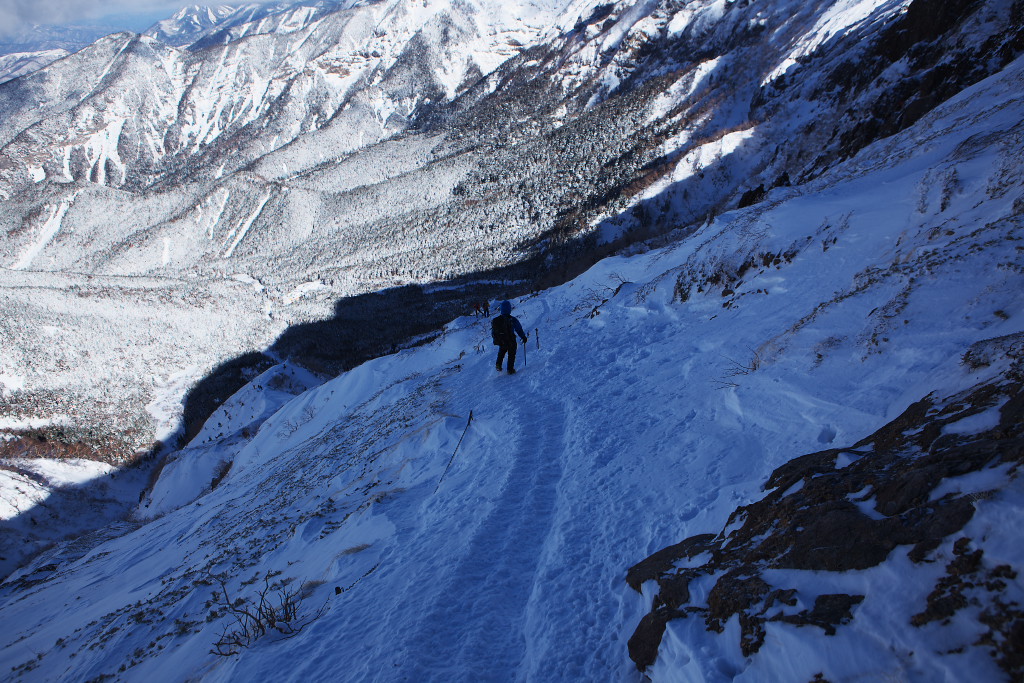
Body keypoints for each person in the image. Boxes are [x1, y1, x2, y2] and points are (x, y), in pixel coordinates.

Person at [491, 300, 528, 374]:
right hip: (511, 340)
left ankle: (498, 364)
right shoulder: (512, 319)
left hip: (502, 341)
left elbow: (493, 332)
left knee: (501, 352)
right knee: (511, 354)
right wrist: (523, 337)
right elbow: (519, 329)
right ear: (509, 309)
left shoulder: (497, 320)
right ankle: (510, 369)